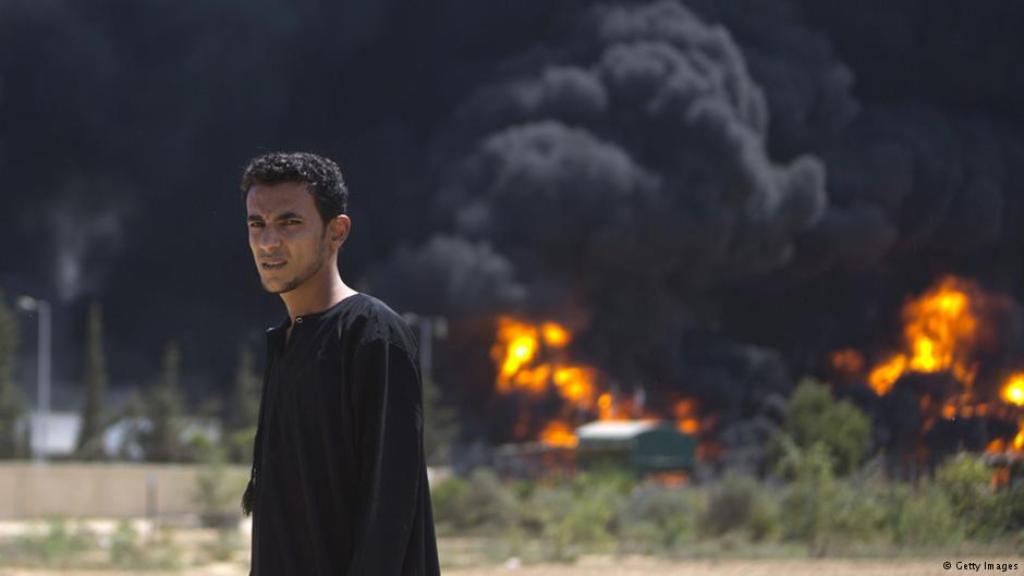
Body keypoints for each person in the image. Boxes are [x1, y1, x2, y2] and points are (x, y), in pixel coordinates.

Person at [239, 151, 440, 575]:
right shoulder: (288, 341)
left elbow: (389, 504)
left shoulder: (371, 334)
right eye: (257, 224)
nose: (268, 241)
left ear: (336, 232)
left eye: (290, 222)